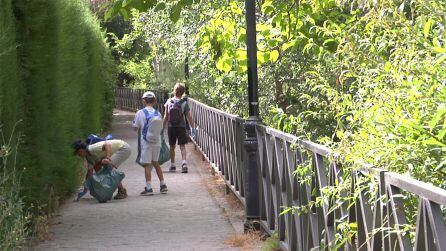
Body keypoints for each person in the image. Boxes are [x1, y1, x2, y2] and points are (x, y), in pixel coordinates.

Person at [133, 91, 168, 195]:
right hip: (157, 142)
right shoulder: (158, 113)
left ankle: (149, 188)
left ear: (144, 101)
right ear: (155, 101)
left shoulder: (140, 113)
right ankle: (163, 185)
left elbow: (135, 128)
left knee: (147, 165)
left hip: (146, 143)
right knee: (156, 163)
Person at [163, 83, 196, 173]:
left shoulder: (169, 102)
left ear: (174, 91)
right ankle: (184, 163)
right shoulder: (184, 103)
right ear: (183, 93)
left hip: (171, 127)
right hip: (181, 127)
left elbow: (166, 116)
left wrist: (162, 128)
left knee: (172, 146)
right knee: (182, 146)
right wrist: (193, 128)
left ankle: (173, 165)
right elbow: (189, 117)